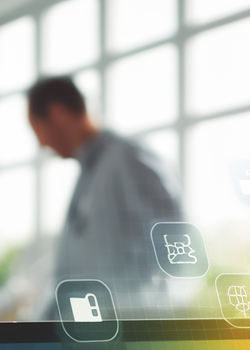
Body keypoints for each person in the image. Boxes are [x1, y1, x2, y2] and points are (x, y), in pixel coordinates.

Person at [27, 77, 182, 318]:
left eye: (37, 129)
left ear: (57, 114)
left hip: (123, 341)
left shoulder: (128, 160)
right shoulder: (90, 173)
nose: (41, 143)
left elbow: (173, 249)